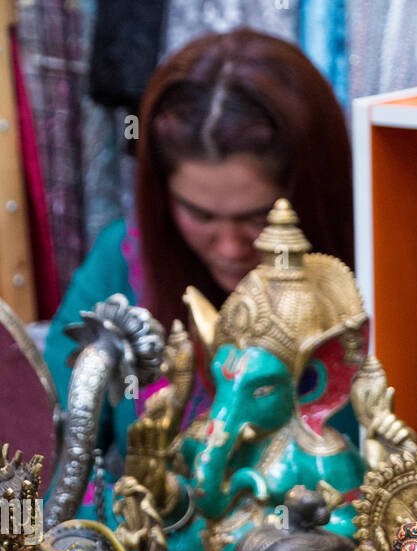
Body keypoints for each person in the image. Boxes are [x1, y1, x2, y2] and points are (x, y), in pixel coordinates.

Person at [43, 28, 354, 470]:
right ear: (162, 197)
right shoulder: (119, 262)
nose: (229, 247)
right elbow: (52, 455)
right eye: (201, 215)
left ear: (314, 196)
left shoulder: (371, 281)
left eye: (257, 216)